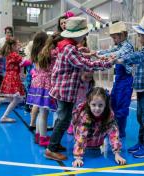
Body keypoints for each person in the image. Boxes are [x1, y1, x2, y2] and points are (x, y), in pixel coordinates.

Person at [44, 16, 117, 161]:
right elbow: (86, 65)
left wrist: (90, 54)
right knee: (64, 119)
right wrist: (108, 63)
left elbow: (79, 56)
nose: (85, 35)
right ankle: (51, 149)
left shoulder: (67, 46)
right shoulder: (70, 49)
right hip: (65, 90)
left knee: (62, 118)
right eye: (84, 33)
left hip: (64, 89)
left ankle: (55, 143)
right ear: (78, 34)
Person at [117, 16, 144, 158]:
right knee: (141, 118)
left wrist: (121, 59)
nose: (138, 37)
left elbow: (137, 57)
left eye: (140, 35)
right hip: (142, 90)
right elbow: (137, 57)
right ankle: (141, 143)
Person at [95, 21, 134, 138]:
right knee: (113, 104)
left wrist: (102, 57)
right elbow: (110, 51)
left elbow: (116, 54)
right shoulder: (119, 45)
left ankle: (120, 132)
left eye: (114, 37)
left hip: (126, 81)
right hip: (118, 80)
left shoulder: (127, 46)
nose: (113, 40)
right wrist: (95, 53)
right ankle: (113, 128)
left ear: (122, 35)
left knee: (122, 106)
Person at [71, 87, 126, 167]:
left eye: (100, 105)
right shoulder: (86, 116)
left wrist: (117, 154)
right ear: (89, 104)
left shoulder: (108, 115)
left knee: (110, 127)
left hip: (98, 143)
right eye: (94, 105)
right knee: (83, 132)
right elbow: (81, 136)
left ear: (105, 105)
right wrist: (78, 157)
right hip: (85, 142)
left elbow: (114, 134)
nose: (97, 108)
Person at [0, 37, 25, 123]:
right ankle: (4, 116)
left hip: (10, 76)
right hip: (13, 77)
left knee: (15, 98)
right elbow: (24, 61)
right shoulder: (14, 55)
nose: (19, 45)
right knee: (18, 98)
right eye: (18, 44)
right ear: (13, 46)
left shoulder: (11, 54)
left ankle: (0, 100)